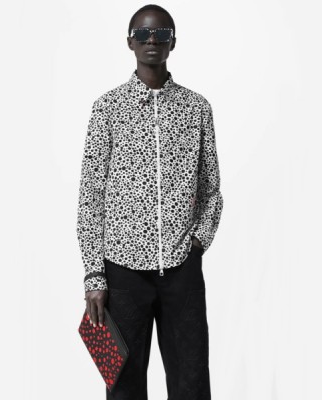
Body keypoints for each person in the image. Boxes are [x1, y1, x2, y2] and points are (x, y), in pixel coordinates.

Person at [76, 4, 223, 399]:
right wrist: (94, 276)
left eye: (161, 33)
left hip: (181, 271)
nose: (152, 40)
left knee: (192, 382)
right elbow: (90, 197)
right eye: (142, 33)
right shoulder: (107, 108)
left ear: (174, 41)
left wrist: (197, 243)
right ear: (130, 42)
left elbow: (211, 189)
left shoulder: (197, 108)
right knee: (122, 387)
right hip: (122, 273)